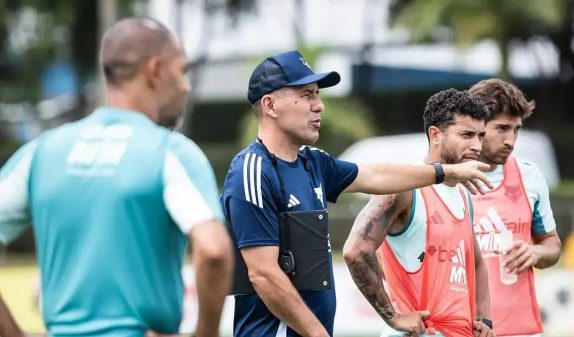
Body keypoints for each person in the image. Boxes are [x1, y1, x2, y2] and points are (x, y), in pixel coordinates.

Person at [221, 51, 494, 337]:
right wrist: (318, 334)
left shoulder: (313, 162)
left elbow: (375, 175)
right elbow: (263, 274)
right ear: (270, 105)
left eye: (318, 94)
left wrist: (445, 173)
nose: (319, 106)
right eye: (307, 95)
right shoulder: (252, 170)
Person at [0, 17, 232, 337]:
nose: (186, 86)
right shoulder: (170, 151)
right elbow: (214, 250)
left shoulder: (43, 151)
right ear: (156, 71)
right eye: (182, 71)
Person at [344, 88, 495, 337]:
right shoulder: (404, 188)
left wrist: (484, 320)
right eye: (466, 134)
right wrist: (393, 317)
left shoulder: (463, 194)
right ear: (435, 135)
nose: (477, 145)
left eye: (480, 135)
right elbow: (355, 250)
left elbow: (476, 263)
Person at [468, 79, 561, 337]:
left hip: (521, 330)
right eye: (502, 128)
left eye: (516, 129)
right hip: (461, 329)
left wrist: (535, 252)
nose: (511, 140)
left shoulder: (530, 177)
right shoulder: (444, 181)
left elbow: (552, 245)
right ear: (476, 126)